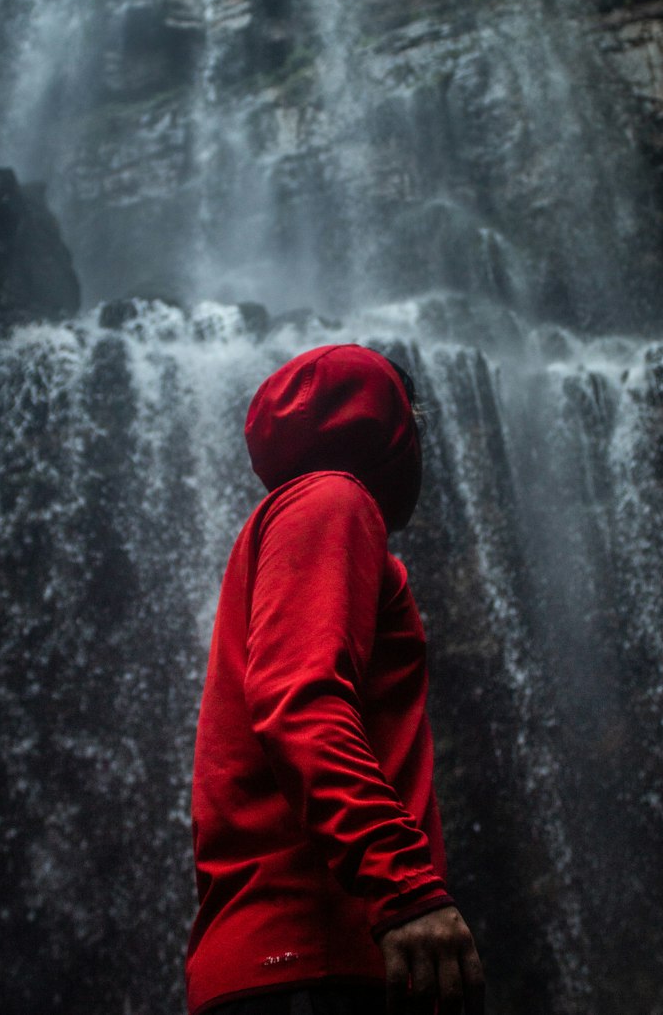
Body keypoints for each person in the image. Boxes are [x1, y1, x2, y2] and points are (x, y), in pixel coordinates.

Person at [186, 344, 484, 1015]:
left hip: (285, 959)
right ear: (384, 423)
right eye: (416, 417)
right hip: (317, 958)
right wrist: (405, 887)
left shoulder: (299, 515)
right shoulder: (333, 500)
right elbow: (300, 700)